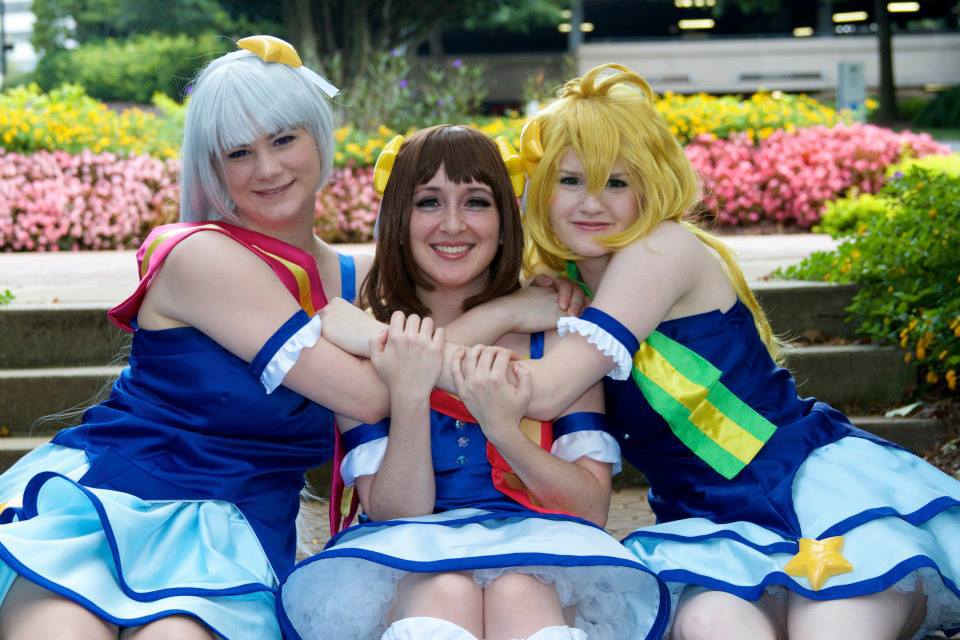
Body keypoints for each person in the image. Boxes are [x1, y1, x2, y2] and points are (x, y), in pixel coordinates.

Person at [501, 63, 960, 639]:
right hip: (707, 529)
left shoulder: (662, 249)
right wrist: (510, 310)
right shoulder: (566, 287)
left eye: (616, 182)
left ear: (652, 186)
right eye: (570, 180)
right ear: (540, 188)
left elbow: (546, 391)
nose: (591, 202)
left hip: (804, 492)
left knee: (830, 628)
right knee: (711, 625)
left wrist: (425, 343)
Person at [0, 35, 397, 640]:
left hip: (235, 535)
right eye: (238, 152)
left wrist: (525, 305)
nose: (267, 168)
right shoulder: (198, 254)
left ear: (320, 136)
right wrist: (381, 341)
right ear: (213, 167)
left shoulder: (361, 280)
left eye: (283, 139)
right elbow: (367, 395)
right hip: (113, 500)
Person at [277, 125, 670, 640]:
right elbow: (396, 512)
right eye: (429, 202)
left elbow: (589, 509)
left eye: (477, 202)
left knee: (518, 591)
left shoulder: (556, 334)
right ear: (397, 220)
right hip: (409, 555)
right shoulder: (361, 335)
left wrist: (505, 430)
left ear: (506, 220)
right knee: (445, 591)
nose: (453, 224)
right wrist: (410, 395)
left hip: (545, 556)